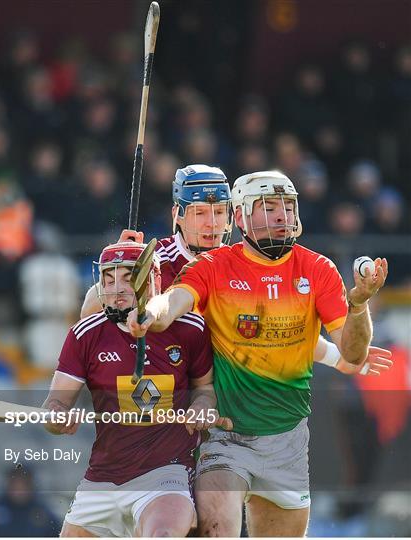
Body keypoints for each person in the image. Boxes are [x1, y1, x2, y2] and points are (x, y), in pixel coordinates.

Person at [127, 170, 389, 537]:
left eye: (287, 206)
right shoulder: (212, 267)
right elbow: (172, 302)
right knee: (219, 528)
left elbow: (353, 352)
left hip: (289, 442)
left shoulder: (318, 270)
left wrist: (358, 305)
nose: (281, 216)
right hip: (225, 437)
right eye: (267, 207)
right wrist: (148, 313)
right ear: (241, 217)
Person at [43, 240, 230, 537]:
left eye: (128, 279)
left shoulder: (190, 329)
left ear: (153, 280)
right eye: (108, 279)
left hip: (166, 475)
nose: (117, 289)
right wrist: (57, 417)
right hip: (101, 480)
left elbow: (205, 389)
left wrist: (202, 406)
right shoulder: (85, 334)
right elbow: (54, 406)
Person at [80, 163, 233, 316]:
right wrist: (120, 265)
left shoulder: (237, 261)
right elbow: (87, 312)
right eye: (200, 213)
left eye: (219, 212)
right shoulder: (158, 259)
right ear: (177, 215)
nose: (212, 223)